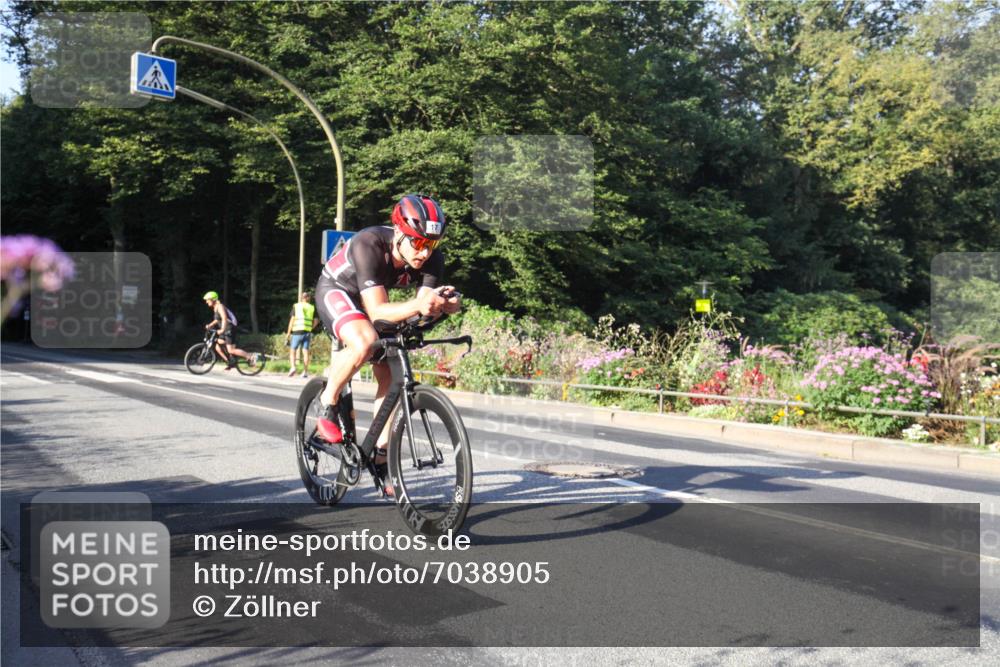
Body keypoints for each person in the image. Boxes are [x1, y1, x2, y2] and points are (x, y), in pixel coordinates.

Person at [314, 194, 461, 493]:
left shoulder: (432, 258)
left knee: (392, 375)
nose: (424, 252)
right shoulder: (369, 243)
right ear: (398, 233)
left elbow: (420, 309)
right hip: (339, 291)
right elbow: (379, 312)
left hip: (372, 301)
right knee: (365, 341)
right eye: (417, 243)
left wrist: (443, 306)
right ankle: (327, 401)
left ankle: (380, 456)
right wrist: (421, 305)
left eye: (431, 244)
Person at [202, 291, 257, 370]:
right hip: (225, 329)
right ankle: (230, 363)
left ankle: (250, 356)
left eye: (208, 300)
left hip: (229, 328)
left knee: (231, 350)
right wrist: (210, 325)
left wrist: (222, 330)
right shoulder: (215, 308)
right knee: (218, 347)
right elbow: (217, 320)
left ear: (213, 299)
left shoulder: (220, 306)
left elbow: (224, 318)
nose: (206, 302)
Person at [285, 291, 318, 378]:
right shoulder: (312, 307)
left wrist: (288, 333)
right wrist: (311, 328)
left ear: (302, 298)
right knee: (305, 352)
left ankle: (293, 367)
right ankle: (305, 372)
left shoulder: (296, 306)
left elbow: (292, 321)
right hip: (307, 332)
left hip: (297, 331)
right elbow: (316, 321)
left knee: (293, 350)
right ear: (309, 298)